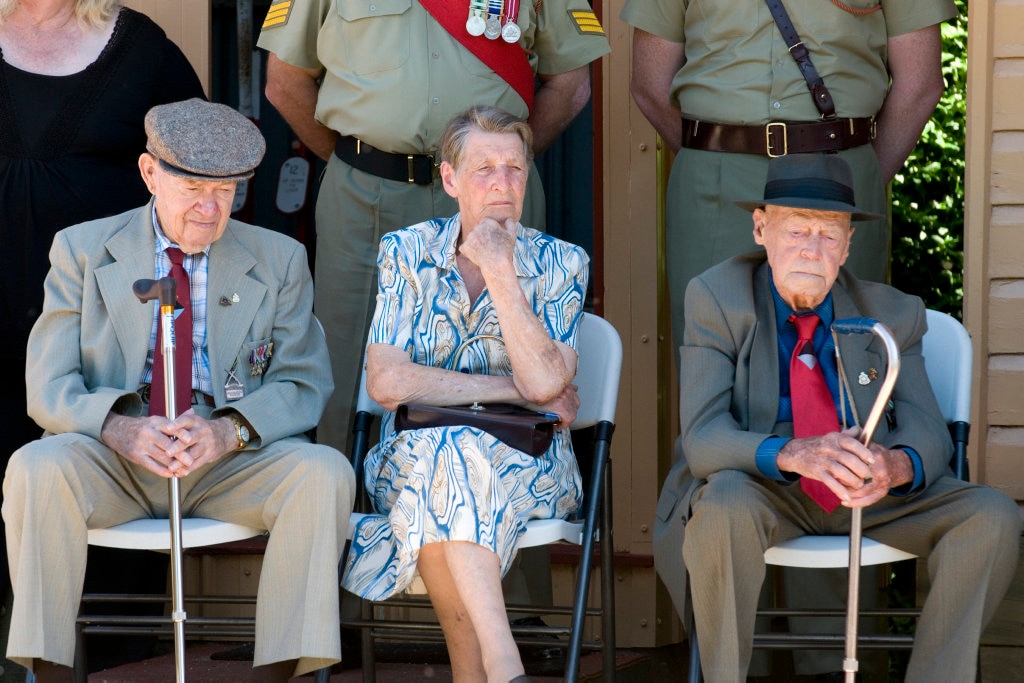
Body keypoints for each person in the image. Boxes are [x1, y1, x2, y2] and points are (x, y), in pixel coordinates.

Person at [2, 99, 355, 683]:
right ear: (149, 174)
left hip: (230, 459)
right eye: (192, 185)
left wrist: (228, 430)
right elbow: (48, 384)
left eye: (227, 190)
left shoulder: (280, 259)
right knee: (35, 466)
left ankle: (280, 675)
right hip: (112, 455)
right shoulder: (83, 250)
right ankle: (49, 673)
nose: (209, 206)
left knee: (324, 473)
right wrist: (119, 427)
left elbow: (304, 381)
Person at [654, 153, 1021, 681]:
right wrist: (795, 454)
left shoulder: (893, 312)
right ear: (761, 228)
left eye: (828, 235)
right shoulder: (717, 297)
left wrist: (895, 465)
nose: (811, 248)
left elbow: (926, 430)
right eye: (796, 229)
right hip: (763, 483)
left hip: (864, 489)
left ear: (848, 246)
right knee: (723, 507)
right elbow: (704, 438)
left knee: (990, 516)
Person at [256, 0, 609, 453]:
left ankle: (501, 496)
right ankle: (349, 512)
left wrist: (494, 169)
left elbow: (570, 82)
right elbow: (285, 83)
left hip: (492, 199)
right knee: (348, 371)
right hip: (366, 196)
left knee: (513, 354)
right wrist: (359, 165)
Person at [341, 106, 589, 682]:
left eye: (515, 169)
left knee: (444, 459)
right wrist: (513, 389)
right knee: (446, 454)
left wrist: (501, 271)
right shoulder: (406, 252)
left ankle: (479, 673)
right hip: (408, 456)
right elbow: (386, 382)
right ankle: (504, 664)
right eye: (484, 170)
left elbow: (549, 379)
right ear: (450, 180)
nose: (502, 183)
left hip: (527, 462)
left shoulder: (561, 263)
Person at [0, 0, 205, 616]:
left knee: (94, 448)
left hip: (101, 313)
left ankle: (104, 646)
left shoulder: (142, 50)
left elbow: (196, 166)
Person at [620, 0, 959, 347]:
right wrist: (713, 156)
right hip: (713, 189)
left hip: (840, 176)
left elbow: (920, 84)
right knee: (714, 357)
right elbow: (650, 83)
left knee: (846, 357)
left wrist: (859, 178)